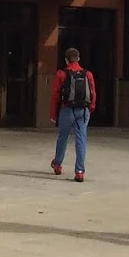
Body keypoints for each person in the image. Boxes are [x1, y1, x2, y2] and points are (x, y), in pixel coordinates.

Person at [50, 48, 96, 181]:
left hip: (67, 109)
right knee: (81, 139)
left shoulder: (61, 74)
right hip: (83, 110)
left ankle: (58, 164)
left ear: (66, 60)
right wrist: (90, 108)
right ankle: (79, 171)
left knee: (63, 137)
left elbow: (55, 95)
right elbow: (93, 93)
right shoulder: (88, 74)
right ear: (78, 58)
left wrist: (53, 114)